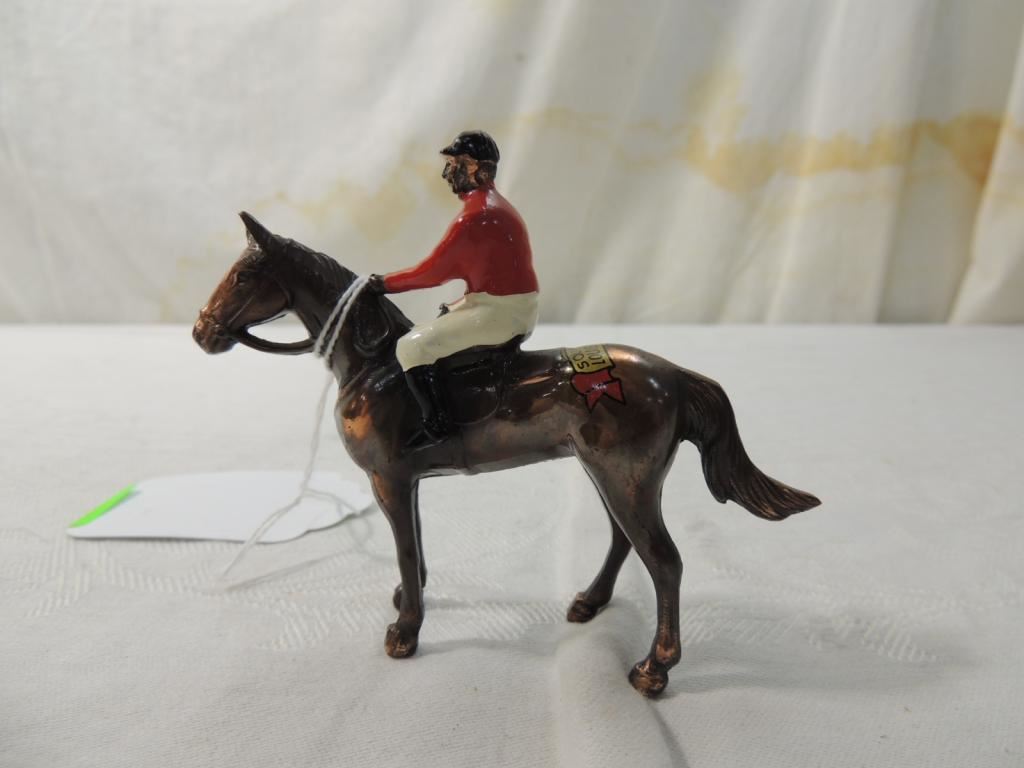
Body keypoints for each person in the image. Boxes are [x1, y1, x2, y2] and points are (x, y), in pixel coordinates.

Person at [366, 130, 539, 445]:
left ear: (474, 168)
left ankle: (439, 426)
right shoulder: (492, 206)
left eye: (453, 164)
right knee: (441, 318)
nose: (446, 173)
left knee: (410, 347)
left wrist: (383, 283)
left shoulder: (476, 216)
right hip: (503, 302)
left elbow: (431, 273)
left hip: (502, 311)